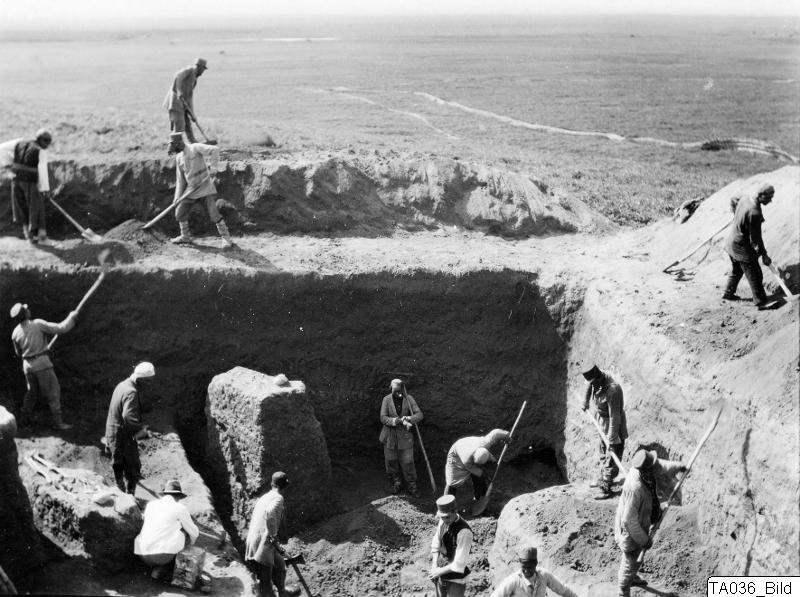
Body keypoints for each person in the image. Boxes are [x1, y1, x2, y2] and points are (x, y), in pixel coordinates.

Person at [614, 449, 686, 597]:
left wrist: (679, 466)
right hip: (630, 531)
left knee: (635, 559)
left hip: (642, 519)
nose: (656, 465)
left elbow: (662, 465)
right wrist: (644, 540)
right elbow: (628, 520)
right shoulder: (635, 488)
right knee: (630, 560)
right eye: (653, 465)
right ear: (646, 470)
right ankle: (623, 590)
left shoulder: (648, 468)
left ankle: (633, 577)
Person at [10, 302, 77, 430]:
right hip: (42, 365)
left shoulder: (15, 333)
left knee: (32, 393)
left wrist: (38, 349)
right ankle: (58, 423)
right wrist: (71, 317)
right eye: (26, 309)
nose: (28, 310)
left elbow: (18, 353)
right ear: (25, 314)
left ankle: (24, 420)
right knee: (53, 392)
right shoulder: (37, 323)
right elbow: (61, 328)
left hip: (28, 366)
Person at [167, 132, 233, 247]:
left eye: (174, 146)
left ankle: (226, 238)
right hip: (191, 190)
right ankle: (185, 237)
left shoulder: (195, 148)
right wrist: (177, 197)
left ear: (179, 143)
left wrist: (213, 168)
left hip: (204, 187)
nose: (174, 150)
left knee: (214, 214)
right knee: (179, 213)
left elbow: (215, 150)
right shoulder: (179, 158)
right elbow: (181, 181)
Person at [134, 479, 199, 581]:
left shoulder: (151, 504)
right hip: (161, 557)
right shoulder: (179, 507)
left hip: (141, 552)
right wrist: (190, 545)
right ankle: (164, 568)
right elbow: (194, 533)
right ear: (178, 496)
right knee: (185, 533)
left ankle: (153, 567)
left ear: (165, 494)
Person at [105, 362, 155, 494]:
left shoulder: (122, 385)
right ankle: (130, 495)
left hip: (113, 431)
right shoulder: (131, 392)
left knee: (118, 462)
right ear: (140, 379)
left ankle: (119, 487)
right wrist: (142, 430)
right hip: (123, 434)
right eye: (148, 381)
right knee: (133, 467)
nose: (150, 384)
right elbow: (128, 417)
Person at [723, 183, 775, 309]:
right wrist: (764, 255)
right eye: (769, 197)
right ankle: (761, 302)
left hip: (731, 241)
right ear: (761, 195)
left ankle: (728, 293)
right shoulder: (754, 212)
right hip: (741, 248)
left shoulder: (745, 198)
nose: (771, 201)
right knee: (755, 273)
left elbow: (733, 199)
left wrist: (738, 218)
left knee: (737, 270)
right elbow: (755, 239)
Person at [581, 365, 627, 500]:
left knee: (612, 454)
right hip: (602, 421)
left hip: (614, 425)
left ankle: (606, 486)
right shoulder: (596, 380)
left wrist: (612, 439)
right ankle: (603, 477)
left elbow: (615, 417)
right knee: (602, 450)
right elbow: (589, 385)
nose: (592, 385)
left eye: (594, 382)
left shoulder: (613, 390)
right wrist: (585, 401)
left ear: (599, 378)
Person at [1, 130, 53, 244]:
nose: (47, 144)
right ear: (39, 139)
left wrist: (9, 166)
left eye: (49, 141)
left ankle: (29, 237)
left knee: (23, 207)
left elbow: (1, 148)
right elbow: (43, 171)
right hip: (29, 182)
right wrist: (45, 189)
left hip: (16, 180)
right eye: (46, 140)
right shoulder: (40, 151)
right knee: (37, 208)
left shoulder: (20, 143)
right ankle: (42, 237)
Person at [245, 471, 290, 597]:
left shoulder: (265, 497)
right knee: (265, 580)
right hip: (262, 543)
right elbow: (270, 513)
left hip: (261, 540)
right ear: (284, 487)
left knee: (280, 565)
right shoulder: (278, 498)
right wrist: (273, 535)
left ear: (272, 484)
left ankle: (282, 592)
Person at [379, 378, 424, 497]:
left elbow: (419, 415)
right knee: (391, 461)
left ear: (403, 389)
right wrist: (396, 421)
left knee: (408, 462)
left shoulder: (409, 399)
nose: (398, 393)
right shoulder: (386, 399)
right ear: (391, 388)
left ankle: (412, 485)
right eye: (395, 390)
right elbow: (383, 417)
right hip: (389, 436)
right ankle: (396, 482)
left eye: (400, 390)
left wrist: (409, 418)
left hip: (405, 436)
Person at [444, 428, 509, 505]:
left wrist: (507, 436)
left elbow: (496, 433)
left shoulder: (485, 442)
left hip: (471, 446)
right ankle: (446, 506)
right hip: (456, 453)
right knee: (452, 482)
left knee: (479, 478)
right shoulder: (466, 460)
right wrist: (486, 476)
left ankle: (479, 498)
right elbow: (477, 471)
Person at [490, 544, 579, 597]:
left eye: (529, 567)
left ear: (536, 564)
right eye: (524, 567)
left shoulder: (544, 576)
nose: (526, 571)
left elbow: (563, 590)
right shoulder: (514, 581)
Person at [429, 494, 473, 597]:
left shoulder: (464, 532)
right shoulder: (443, 522)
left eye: (447, 517)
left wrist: (438, 572)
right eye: (442, 517)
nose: (445, 520)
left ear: (455, 511)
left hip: (456, 579)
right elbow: (436, 544)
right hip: (441, 574)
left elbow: (459, 563)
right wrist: (434, 566)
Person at [163, 58, 208, 143]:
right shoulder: (190, 70)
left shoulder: (194, 80)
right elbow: (178, 76)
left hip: (183, 103)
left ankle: (193, 143)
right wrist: (179, 91)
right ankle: (174, 146)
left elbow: (189, 97)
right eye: (203, 69)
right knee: (180, 125)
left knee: (187, 124)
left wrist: (192, 114)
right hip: (175, 102)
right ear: (199, 67)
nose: (203, 71)